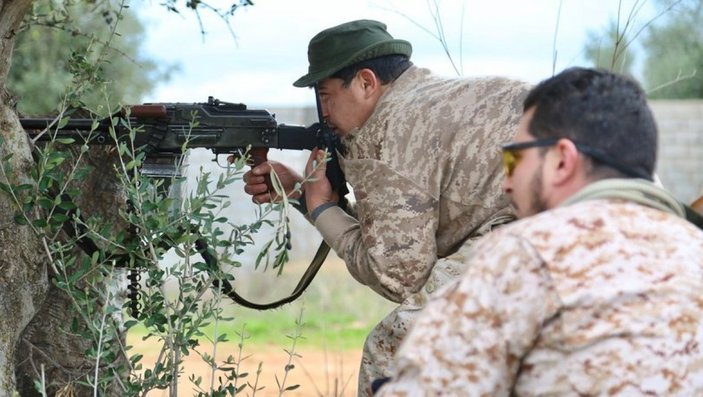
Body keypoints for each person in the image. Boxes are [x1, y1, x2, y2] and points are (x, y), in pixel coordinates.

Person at [374, 67, 703, 396]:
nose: (506, 181)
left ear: (562, 160)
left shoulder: (525, 252)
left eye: (515, 157)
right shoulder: (695, 248)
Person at [243, 19, 530, 396]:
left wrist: (321, 210)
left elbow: (396, 276)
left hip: (542, 222)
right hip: (575, 200)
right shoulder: (425, 101)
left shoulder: (388, 131)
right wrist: (301, 193)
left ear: (366, 83)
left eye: (326, 95)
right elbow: (401, 227)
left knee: (396, 347)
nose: (323, 112)